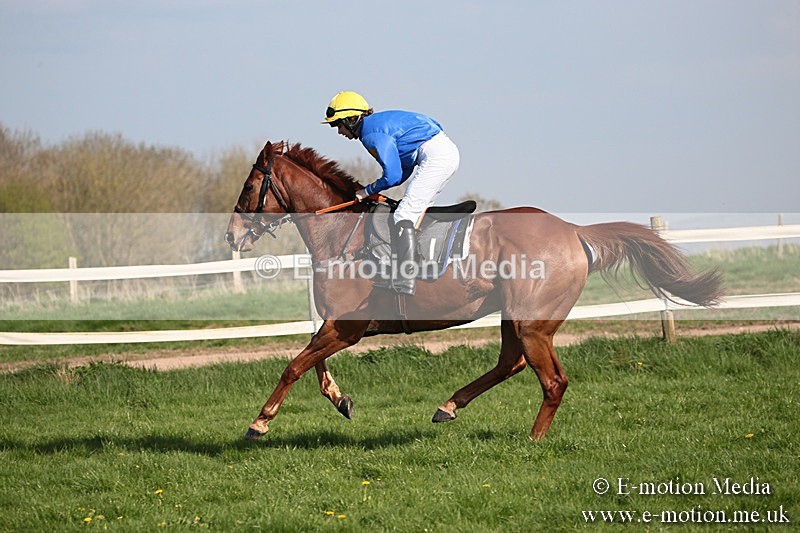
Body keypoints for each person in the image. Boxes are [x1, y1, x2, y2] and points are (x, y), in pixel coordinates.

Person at [322, 91, 460, 295]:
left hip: (436, 156)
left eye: (338, 124)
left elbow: (393, 175)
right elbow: (402, 171)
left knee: (404, 214)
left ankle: (406, 277)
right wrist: (375, 188)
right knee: (409, 210)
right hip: (439, 153)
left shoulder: (371, 134)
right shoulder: (375, 126)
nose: (339, 131)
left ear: (352, 119)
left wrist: (367, 190)